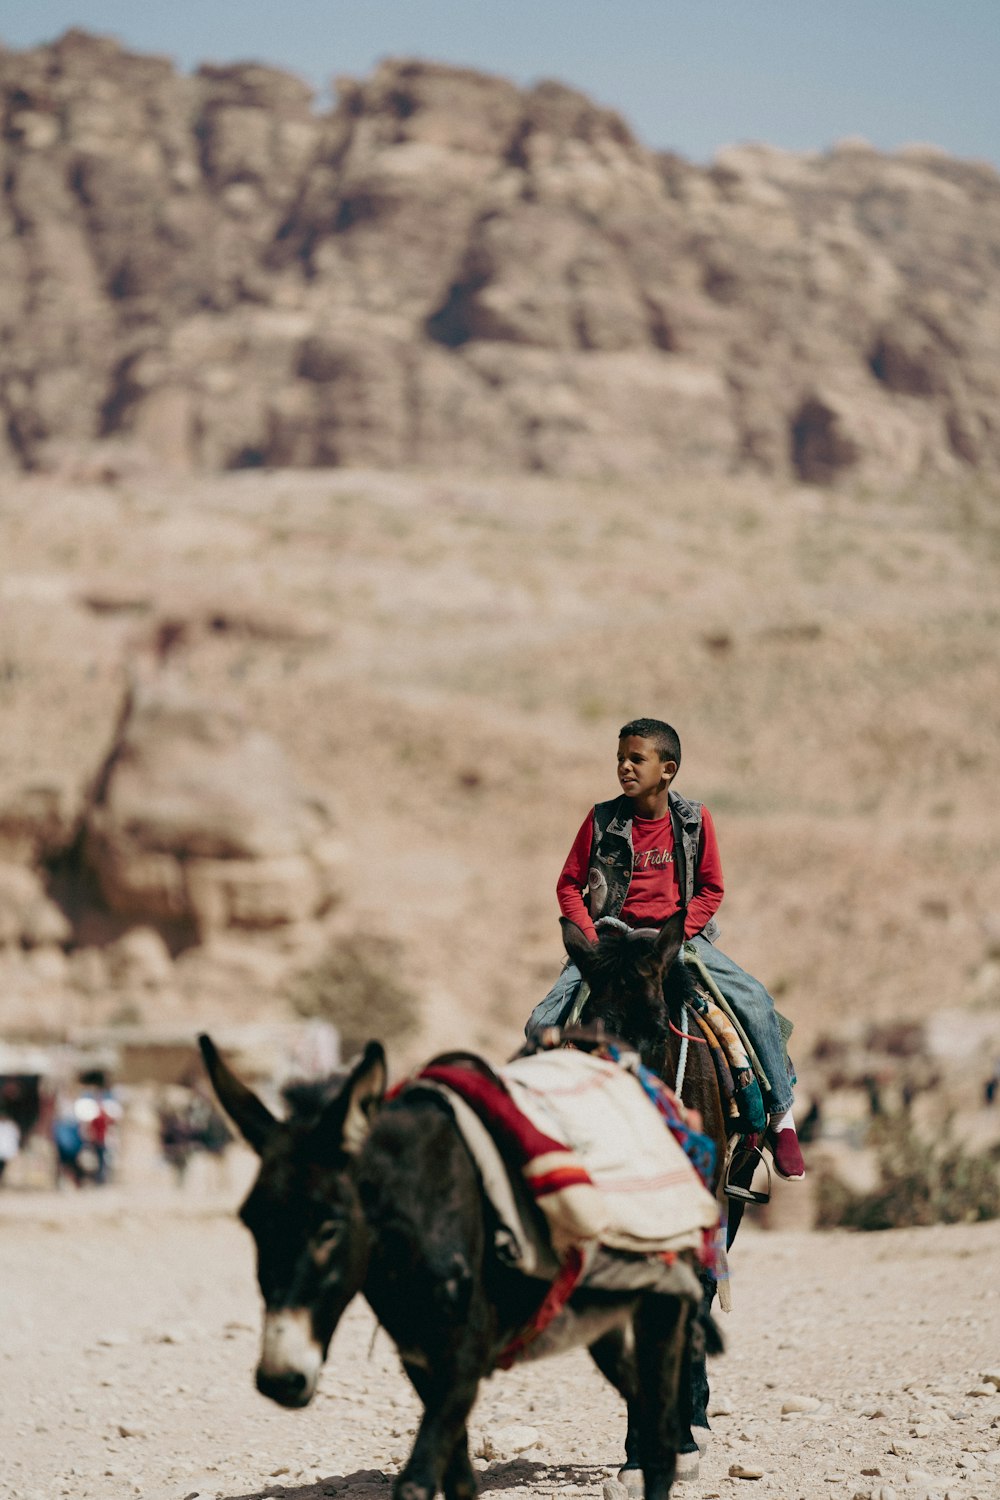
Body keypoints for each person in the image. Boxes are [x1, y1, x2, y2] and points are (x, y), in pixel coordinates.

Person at [532, 716, 805, 1181]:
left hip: (673, 939)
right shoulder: (601, 819)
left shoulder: (695, 820)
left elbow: (712, 889)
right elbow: (568, 886)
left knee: (755, 1000)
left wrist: (677, 935)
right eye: (620, 758)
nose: (624, 767)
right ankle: (540, 1124)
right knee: (541, 1021)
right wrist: (593, 943)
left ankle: (780, 1117)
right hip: (612, 938)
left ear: (668, 769)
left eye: (636, 759)